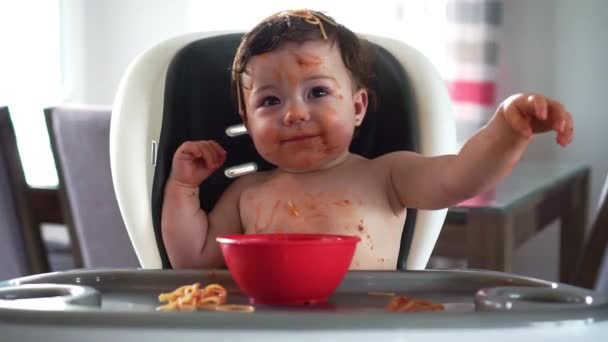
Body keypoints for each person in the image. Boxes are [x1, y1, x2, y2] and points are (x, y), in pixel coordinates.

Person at [161, 9, 574, 270]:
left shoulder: (387, 175)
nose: (295, 113)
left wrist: (506, 129)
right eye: (270, 100)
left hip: (370, 327)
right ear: (248, 124)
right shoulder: (246, 193)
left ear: (357, 108)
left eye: (318, 92)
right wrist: (183, 187)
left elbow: (461, 176)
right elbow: (192, 259)